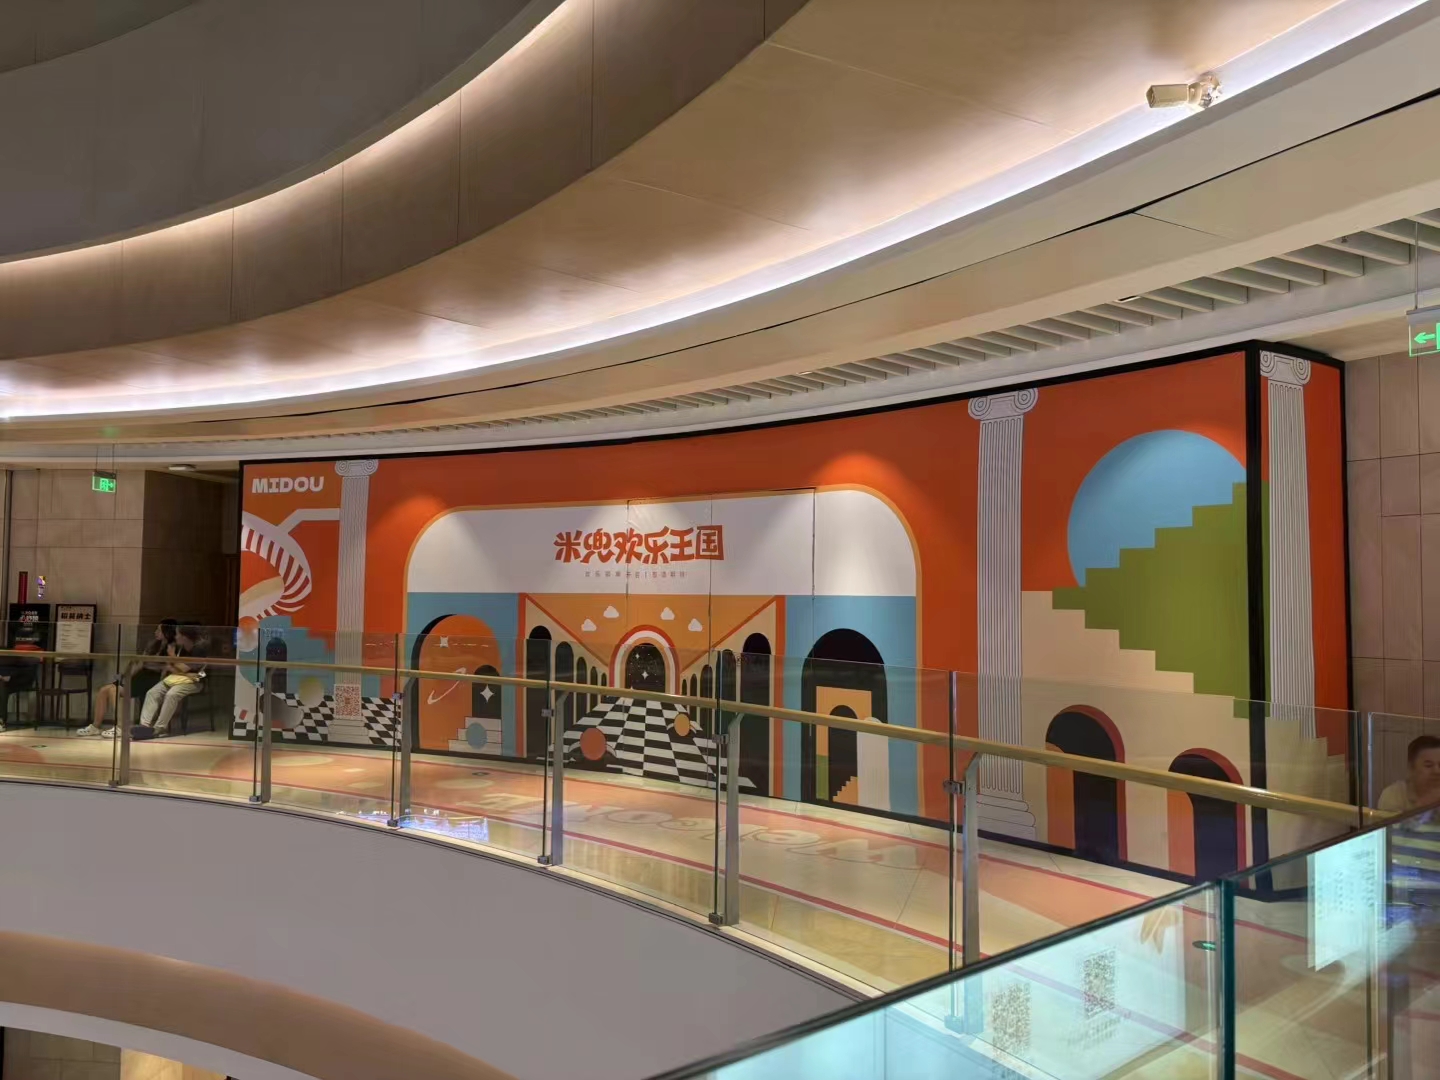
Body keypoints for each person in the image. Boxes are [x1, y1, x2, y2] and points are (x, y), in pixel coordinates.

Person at [76, 619, 176, 737]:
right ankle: (95, 726)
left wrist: (151, 665)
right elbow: (140, 663)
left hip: (153, 679)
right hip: (141, 676)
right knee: (103, 690)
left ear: (167, 632)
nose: (155, 632)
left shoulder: (172, 647)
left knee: (114, 691)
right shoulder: (153, 645)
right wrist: (125, 676)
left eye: (159, 630)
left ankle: (121, 726)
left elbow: (167, 666)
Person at [105, 625, 207, 739]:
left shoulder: (198, 650)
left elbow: (183, 668)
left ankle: (159, 728)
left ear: (185, 637)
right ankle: (144, 726)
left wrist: (172, 657)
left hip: (194, 682)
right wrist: (175, 666)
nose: (176, 636)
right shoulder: (180, 648)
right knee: (152, 692)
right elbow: (172, 667)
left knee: (172, 694)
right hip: (175, 678)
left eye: (178, 634)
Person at [1378, 735, 1440, 812]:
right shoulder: (1394, 794)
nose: (1437, 771)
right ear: (1411, 768)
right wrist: (1424, 804)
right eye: (1428, 765)